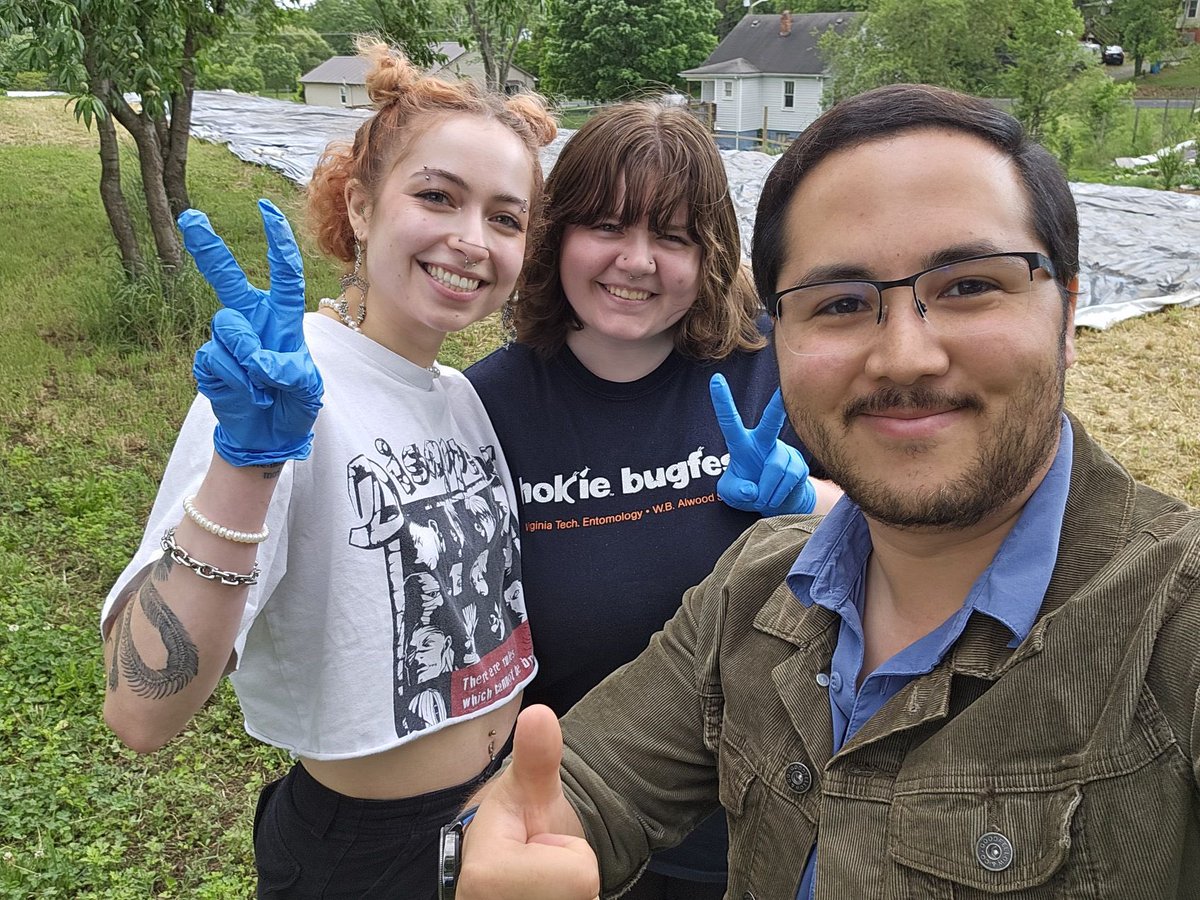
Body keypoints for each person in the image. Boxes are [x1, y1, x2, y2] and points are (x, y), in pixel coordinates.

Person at [451, 84, 1200, 900]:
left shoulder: (1171, 621)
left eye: (970, 285)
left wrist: (803, 491)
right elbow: (585, 786)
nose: (905, 356)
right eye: (842, 303)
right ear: (789, 329)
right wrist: (513, 839)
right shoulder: (756, 588)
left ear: (1068, 311)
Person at [100, 39, 556, 898]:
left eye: (505, 217)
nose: (471, 240)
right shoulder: (290, 385)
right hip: (367, 856)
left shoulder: (459, 395)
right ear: (359, 204)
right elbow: (139, 713)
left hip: (500, 814)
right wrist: (247, 460)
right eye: (437, 196)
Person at [463, 100, 840, 899]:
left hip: (778, 824)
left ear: (709, 254)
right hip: (584, 818)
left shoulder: (769, 366)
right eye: (606, 225)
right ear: (554, 234)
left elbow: (908, 530)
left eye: (671, 237)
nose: (636, 261)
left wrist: (807, 493)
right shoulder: (489, 407)